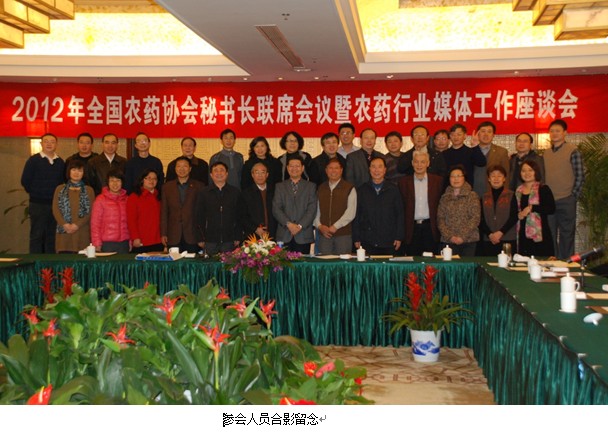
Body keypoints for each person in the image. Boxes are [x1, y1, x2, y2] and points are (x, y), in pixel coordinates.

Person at [543, 119, 584, 260]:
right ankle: (553, 264)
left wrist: (573, 197)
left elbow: (580, 176)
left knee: (567, 235)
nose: (554, 133)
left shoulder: (573, 151)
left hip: (566, 200)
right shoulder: (546, 153)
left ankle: (567, 265)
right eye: (552, 131)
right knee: (550, 235)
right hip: (549, 202)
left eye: (558, 131)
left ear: (565, 133)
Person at [21, 132, 66, 253]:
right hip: (38, 204)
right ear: (41, 144)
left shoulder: (60, 162)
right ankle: (36, 261)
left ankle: (49, 262)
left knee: (52, 235)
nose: (49, 144)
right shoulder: (34, 160)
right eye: (46, 141)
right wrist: (36, 193)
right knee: (37, 235)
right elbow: (25, 180)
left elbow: (62, 182)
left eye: (52, 142)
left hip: (54, 204)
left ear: (56, 144)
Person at [352, 157, 404, 255]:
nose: (376, 170)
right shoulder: (362, 190)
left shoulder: (393, 190)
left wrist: (399, 236)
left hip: (389, 240)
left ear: (385, 170)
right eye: (373, 167)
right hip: (367, 240)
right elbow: (357, 216)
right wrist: (356, 237)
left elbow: (400, 215)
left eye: (380, 167)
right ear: (369, 169)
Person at [398, 151, 443, 256]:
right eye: (416, 162)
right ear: (412, 163)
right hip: (411, 229)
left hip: (430, 228)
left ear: (428, 163)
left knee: (431, 262)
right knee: (413, 261)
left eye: (422, 162)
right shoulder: (403, 182)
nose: (419, 165)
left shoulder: (438, 181)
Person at [273, 155, 317, 254]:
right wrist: (289, 224)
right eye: (291, 166)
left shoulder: (311, 186)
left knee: (302, 263)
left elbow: (312, 209)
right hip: (284, 234)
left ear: (302, 168)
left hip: (303, 234)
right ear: (287, 168)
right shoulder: (279, 186)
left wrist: (299, 226)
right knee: (282, 263)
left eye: (297, 166)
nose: (294, 169)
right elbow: (276, 208)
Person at [197, 161, 243, 255]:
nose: (219, 173)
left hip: (229, 239)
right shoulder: (204, 192)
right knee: (210, 264)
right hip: (209, 240)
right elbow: (199, 216)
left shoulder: (235, 192)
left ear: (227, 174)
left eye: (222, 170)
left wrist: (238, 236)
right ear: (211, 174)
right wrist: (200, 237)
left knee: (229, 264)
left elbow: (239, 216)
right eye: (216, 171)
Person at [161, 157, 204, 254]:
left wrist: (202, 236)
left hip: (192, 235)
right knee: (174, 262)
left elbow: (202, 212)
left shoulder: (199, 186)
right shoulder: (167, 187)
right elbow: (164, 212)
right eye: (179, 166)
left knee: (192, 262)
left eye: (185, 166)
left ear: (190, 168)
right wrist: (163, 233)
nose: (181, 169)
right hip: (173, 234)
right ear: (175, 169)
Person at [314, 158, 356, 255]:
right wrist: (319, 226)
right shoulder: (321, 188)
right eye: (330, 168)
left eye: (336, 168)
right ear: (326, 170)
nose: (333, 171)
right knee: (325, 262)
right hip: (324, 234)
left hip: (343, 235)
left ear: (341, 170)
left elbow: (351, 212)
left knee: (343, 262)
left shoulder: (349, 188)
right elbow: (316, 210)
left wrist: (335, 226)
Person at [51, 159, 95, 253]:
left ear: (83, 173)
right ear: (69, 171)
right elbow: (55, 209)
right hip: (64, 232)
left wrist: (77, 225)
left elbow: (90, 211)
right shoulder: (60, 189)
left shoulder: (89, 190)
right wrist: (65, 224)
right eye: (74, 170)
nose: (76, 173)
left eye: (80, 170)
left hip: (82, 231)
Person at [437, 165, 480, 257]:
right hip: (448, 241)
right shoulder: (444, 197)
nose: (455, 179)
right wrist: (450, 236)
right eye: (452, 176)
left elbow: (475, 218)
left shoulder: (472, 196)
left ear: (464, 178)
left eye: (459, 176)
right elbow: (440, 219)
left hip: (468, 241)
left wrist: (462, 236)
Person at [515, 160, 556, 257]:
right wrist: (518, 214)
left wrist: (532, 208)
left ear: (536, 172)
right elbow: (514, 210)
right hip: (522, 234)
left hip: (540, 234)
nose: (527, 173)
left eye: (530, 170)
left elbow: (551, 208)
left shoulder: (543, 188)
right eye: (523, 171)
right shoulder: (518, 191)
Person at [479, 165, 517, 257]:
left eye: (499, 176)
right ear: (489, 179)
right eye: (493, 176)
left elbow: (514, 216)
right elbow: (480, 219)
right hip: (489, 239)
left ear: (504, 179)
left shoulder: (511, 195)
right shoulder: (483, 197)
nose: (496, 178)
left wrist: (500, 232)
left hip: (507, 238)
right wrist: (490, 234)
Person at [90, 169, 130, 253]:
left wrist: (130, 241)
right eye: (112, 180)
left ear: (122, 182)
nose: (115, 184)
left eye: (118, 180)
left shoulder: (127, 199)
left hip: (124, 243)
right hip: (107, 243)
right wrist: (96, 242)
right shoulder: (100, 199)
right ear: (107, 182)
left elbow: (130, 223)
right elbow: (95, 224)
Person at [127, 169, 163, 254]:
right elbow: (131, 220)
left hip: (158, 240)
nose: (151, 181)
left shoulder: (160, 196)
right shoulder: (134, 197)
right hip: (142, 241)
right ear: (142, 180)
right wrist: (135, 237)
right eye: (148, 178)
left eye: (154, 179)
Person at [442, 123, 486, 189]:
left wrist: (475, 146)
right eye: (453, 135)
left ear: (465, 136)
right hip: (448, 190)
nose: (456, 137)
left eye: (459, 134)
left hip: (467, 189)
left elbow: (482, 163)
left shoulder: (471, 152)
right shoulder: (444, 154)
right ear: (450, 136)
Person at [472, 121, 509, 198]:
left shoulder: (502, 152)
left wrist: (505, 195)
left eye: (489, 132)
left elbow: (506, 175)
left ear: (493, 135)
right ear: (478, 134)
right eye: (483, 131)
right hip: (474, 193)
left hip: (495, 193)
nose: (486, 134)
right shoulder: (470, 151)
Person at [241, 162, 277, 240]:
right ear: (252, 175)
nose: (260, 175)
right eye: (257, 172)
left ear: (267, 175)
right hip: (253, 236)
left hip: (273, 234)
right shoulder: (245, 194)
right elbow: (242, 216)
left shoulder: (275, 191)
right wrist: (255, 229)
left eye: (263, 172)